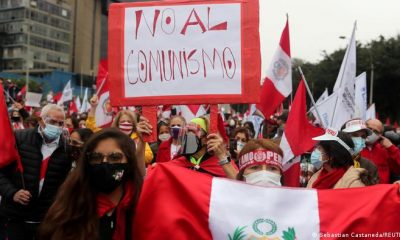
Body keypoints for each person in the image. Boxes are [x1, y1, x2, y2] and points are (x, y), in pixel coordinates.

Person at [39, 128, 143, 240]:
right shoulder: (71, 205)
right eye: (96, 157)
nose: (104, 163)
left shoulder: (144, 204)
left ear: (129, 161)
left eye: (115, 157)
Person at [0, 104, 71, 239]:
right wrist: (12, 192)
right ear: (41, 120)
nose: (56, 126)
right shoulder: (19, 138)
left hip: (46, 219)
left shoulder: (68, 149)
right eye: (52, 121)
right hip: (15, 217)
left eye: (60, 123)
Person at [161, 117, 238, 179]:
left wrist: (222, 156)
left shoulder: (221, 162)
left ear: (206, 139)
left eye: (192, 132)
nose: (188, 135)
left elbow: (239, 185)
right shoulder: (179, 161)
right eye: (187, 131)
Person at [86, 95, 154, 165]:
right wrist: (93, 107)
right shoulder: (111, 135)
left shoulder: (138, 138)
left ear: (133, 124)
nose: (126, 123)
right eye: (122, 122)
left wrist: (127, 153)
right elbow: (91, 128)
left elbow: (149, 156)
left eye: (129, 122)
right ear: (117, 124)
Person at [307, 129, 372, 189]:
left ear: (332, 154)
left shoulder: (354, 183)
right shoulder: (316, 176)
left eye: (319, 148)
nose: (315, 151)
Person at [361, 119, 400, 183]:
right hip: (361, 190)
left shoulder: (385, 150)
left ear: (380, 135)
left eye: (375, 131)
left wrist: (392, 148)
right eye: (369, 129)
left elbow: (398, 169)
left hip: (381, 191)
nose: (371, 133)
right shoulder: (355, 147)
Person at [341, 119, 379, 185]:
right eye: (354, 135)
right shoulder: (330, 161)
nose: (359, 139)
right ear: (342, 137)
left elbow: (373, 192)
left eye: (363, 136)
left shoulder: (370, 166)